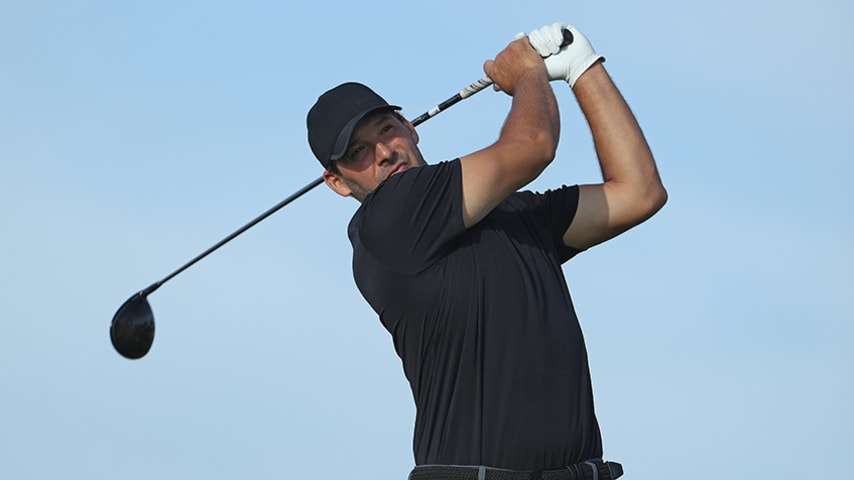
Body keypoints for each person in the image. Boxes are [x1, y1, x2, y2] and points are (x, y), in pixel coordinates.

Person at [306, 22, 666, 480]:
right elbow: (533, 146)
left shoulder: (514, 213)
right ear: (337, 182)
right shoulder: (386, 221)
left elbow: (640, 193)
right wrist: (528, 73)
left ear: (410, 128)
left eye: (386, 130)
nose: (383, 152)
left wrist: (583, 68)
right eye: (358, 151)